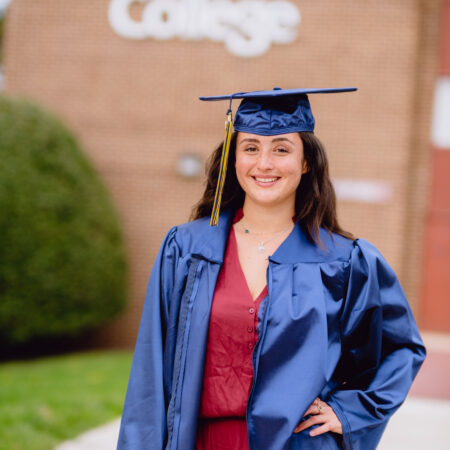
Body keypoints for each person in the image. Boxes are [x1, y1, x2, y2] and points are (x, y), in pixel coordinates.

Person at [117, 88, 426, 450]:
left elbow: (401, 347)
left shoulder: (343, 261)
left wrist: (350, 412)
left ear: (306, 161)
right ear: (234, 159)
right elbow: (150, 369)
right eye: (250, 148)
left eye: (281, 149)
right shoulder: (187, 250)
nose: (264, 163)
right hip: (201, 441)